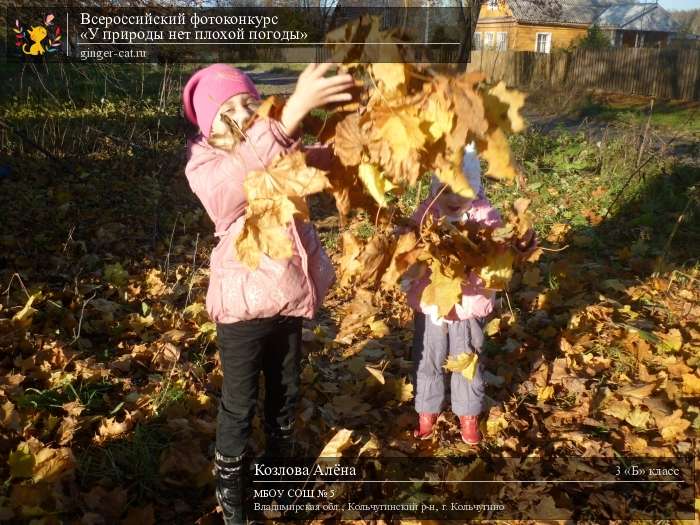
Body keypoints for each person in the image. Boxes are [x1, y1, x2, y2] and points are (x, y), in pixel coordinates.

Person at [182, 63, 354, 525]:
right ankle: (235, 505)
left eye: (249, 104)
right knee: (239, 405)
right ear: (206, 125)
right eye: (227, 110)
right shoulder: (207, 164)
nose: (241, 114)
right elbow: (236, 183)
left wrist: (356, 149)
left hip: (289, 297)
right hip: (242, 310)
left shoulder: (275, 146)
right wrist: (290, 111)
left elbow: (313, 160)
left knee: (286, 393)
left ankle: (280, 481)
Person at [403, 143, 533, 445]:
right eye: (444, 190)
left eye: (461, 190)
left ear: (474, 186)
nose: (452, 198)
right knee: (428, 358)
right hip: (432, 303)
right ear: (435, 188)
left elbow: (505, 245)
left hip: (468, 304)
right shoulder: (427, 213)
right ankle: (427, 410)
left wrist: (521, 242)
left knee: (467, 360)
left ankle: (468, 413)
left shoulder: (485, 215)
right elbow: (406, 244)